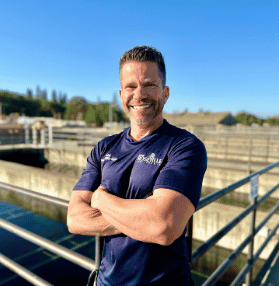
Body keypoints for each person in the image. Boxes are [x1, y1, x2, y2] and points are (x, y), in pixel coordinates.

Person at [66, 46, 207, 286]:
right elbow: (74, 219)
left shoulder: (184, 146)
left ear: (165, 92)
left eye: (149, 85)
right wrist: (142, 220)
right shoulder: (104, 148)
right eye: (131, 86)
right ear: (121, 94)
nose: (139, 94)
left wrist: (102, 202)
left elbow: (163, 226)